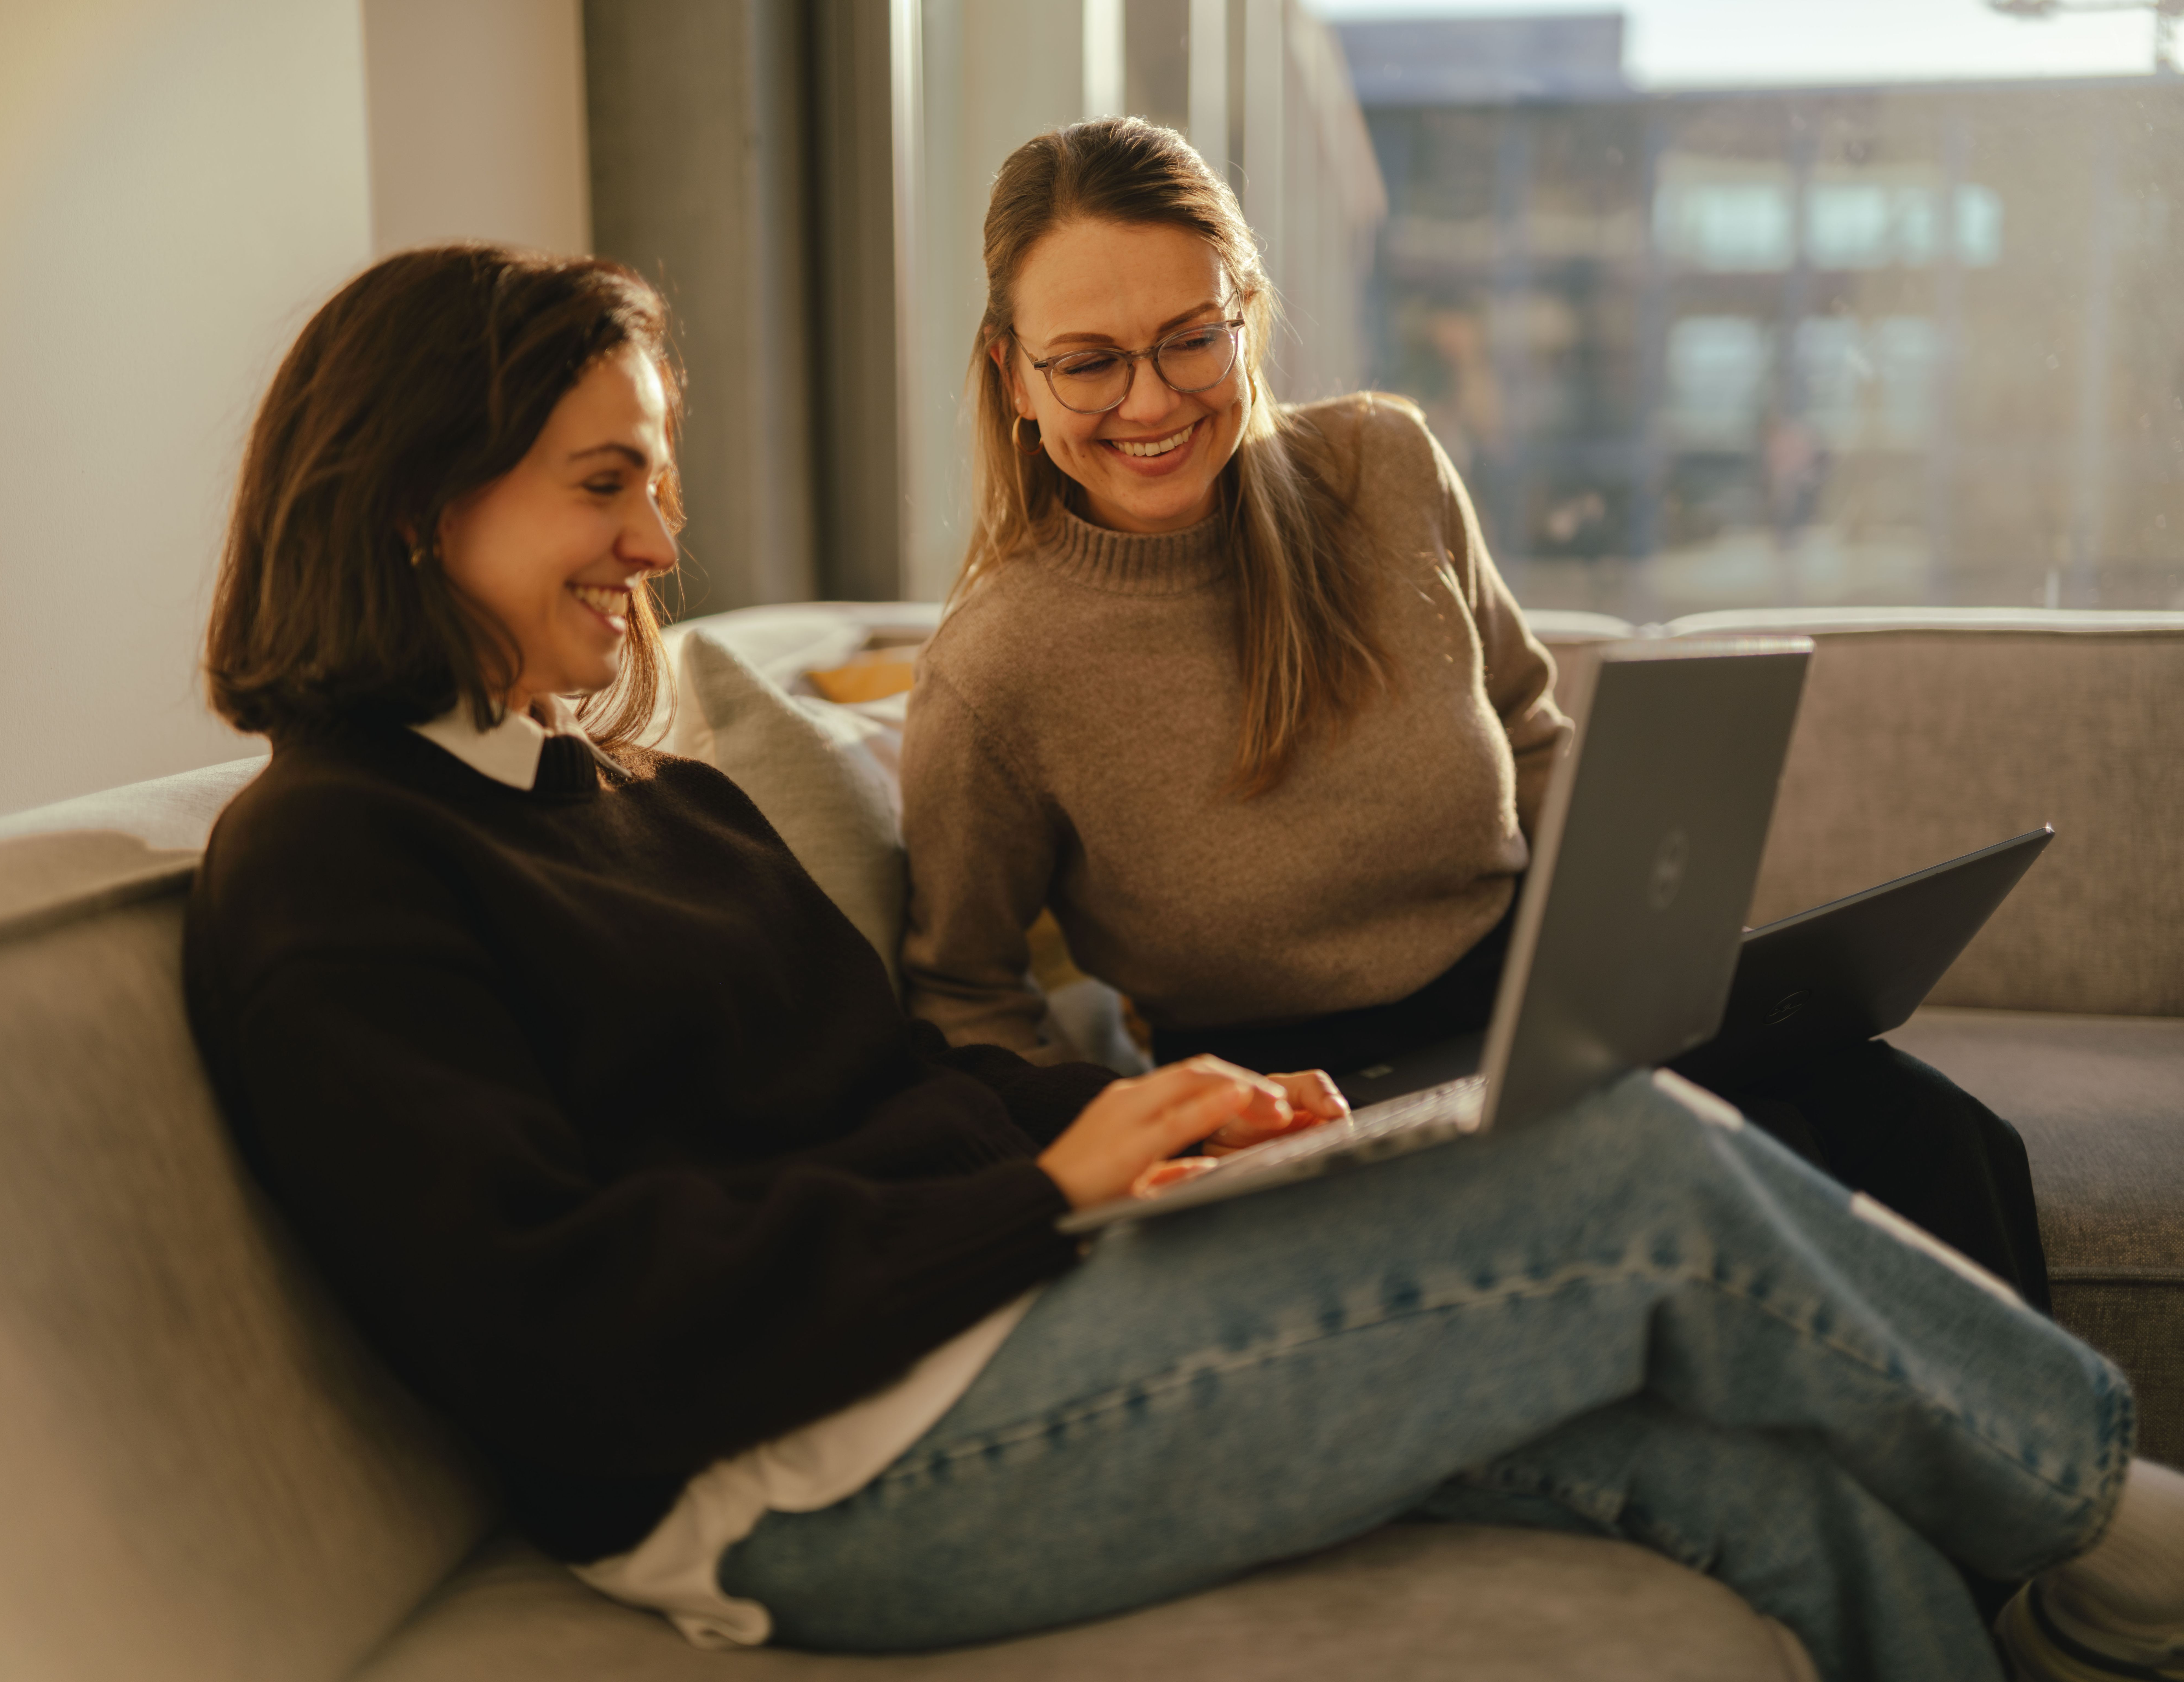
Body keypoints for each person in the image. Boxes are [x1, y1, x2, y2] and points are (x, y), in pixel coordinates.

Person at [182, 243, 2181, 1682]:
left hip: (971, 1329)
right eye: (603, 481)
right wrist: (1027, 1187)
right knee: (1623, 1165)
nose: (658, 536)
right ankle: (2126, 1538)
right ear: (416, 508)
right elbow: (555, 1321)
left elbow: (897, 1092)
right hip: (790, 1482)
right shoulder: (334, 870)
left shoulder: (635, 800)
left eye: (654, 474)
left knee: (1774, 1503)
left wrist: (1151, 1127)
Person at [898, 116, 2051, 1314]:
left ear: (1243, 316)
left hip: (1546, 1007)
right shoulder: (996, 668)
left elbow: (1530, 732)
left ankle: (2050, 1502)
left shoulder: (1379, 467)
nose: (1150, 400)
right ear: (1012, 379)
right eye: (1087, 361)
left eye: (1191, 338)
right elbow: (964, 996)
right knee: (1774, 1189)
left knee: (1944, 1142)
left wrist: (1654, 964)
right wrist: (1131, 1146)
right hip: (1318, 1103)